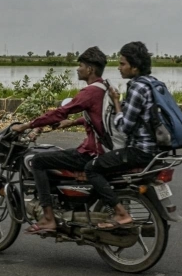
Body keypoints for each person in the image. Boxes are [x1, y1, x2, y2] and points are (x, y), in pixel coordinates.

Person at [11, 46, 109, 234]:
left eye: (80, 65)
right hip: (104, 148)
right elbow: (97, 117)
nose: (78, 69)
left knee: (38, 161)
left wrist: (26, 126)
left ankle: (48, 218)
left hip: (91, 151)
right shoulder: (106, 87)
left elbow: (60, 112)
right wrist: (72, 123)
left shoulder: (89, 92)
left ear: (90, 69)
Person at [85, 41, 159, 230]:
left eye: (122, 64)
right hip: (153, 148)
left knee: (92, 168)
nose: (119, 68)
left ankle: (121, 213)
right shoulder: (153, 83)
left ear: (135, 66)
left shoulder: (137, 88)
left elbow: (124, 126)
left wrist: (117, 103)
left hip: (139, 150)